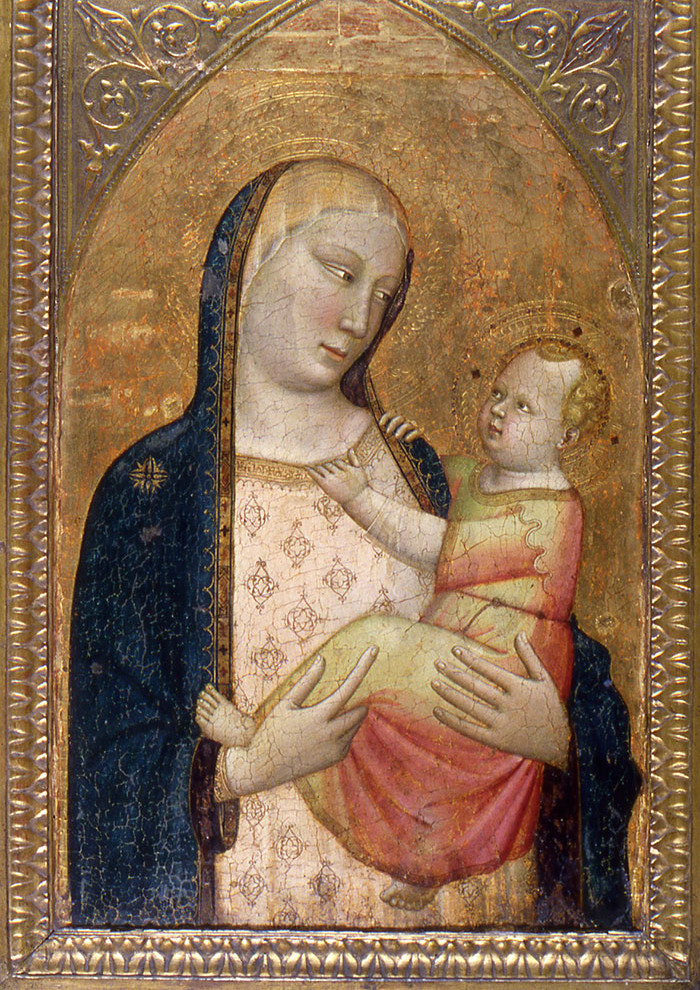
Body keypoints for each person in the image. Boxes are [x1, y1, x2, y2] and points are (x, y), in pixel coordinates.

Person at [68, 158, 640, 930]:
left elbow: (548, 632)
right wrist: (245, 767)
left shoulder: (419, 469)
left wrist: (560, 735)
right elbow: (106, 761)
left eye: (383, 297)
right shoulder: (153, 491)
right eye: (340, 272)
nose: (359, 318)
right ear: (251, 262)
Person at [196, 340, 606, 911]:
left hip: (499, 674)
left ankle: (255, 733)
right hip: (460, 652)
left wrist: (361, 499)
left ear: (567, 435)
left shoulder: (556, 513)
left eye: (525, 406)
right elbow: (427, 486)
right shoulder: (475, 477)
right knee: (394, 735)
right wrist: (407, 450)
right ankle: (426, 861)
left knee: (375, 641)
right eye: (498, 392)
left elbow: (437, 543)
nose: (499, 410)